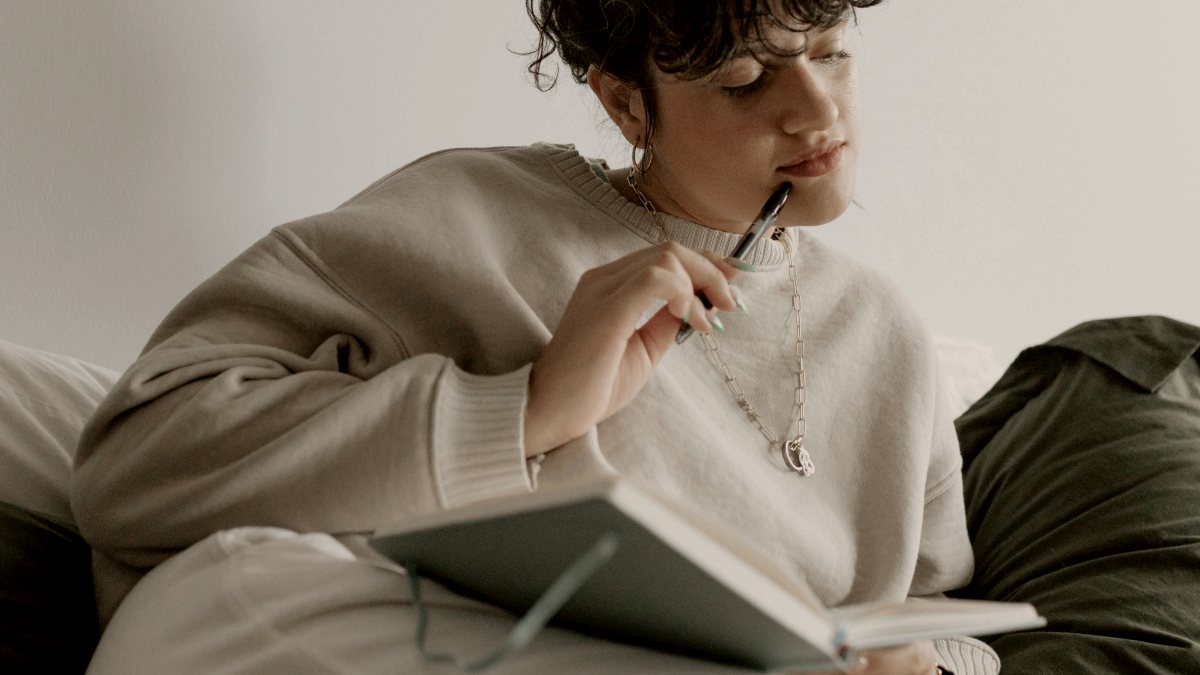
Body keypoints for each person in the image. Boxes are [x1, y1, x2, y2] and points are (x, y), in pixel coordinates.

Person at [73, 1, 998, 673]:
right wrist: (523, 408)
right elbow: (134, 461)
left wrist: (927, 665)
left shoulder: (888, 333)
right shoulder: (465, 216)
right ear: (625, 105)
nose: (816, 109)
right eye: (745, 79)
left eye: (833, 51)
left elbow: (947, 613)